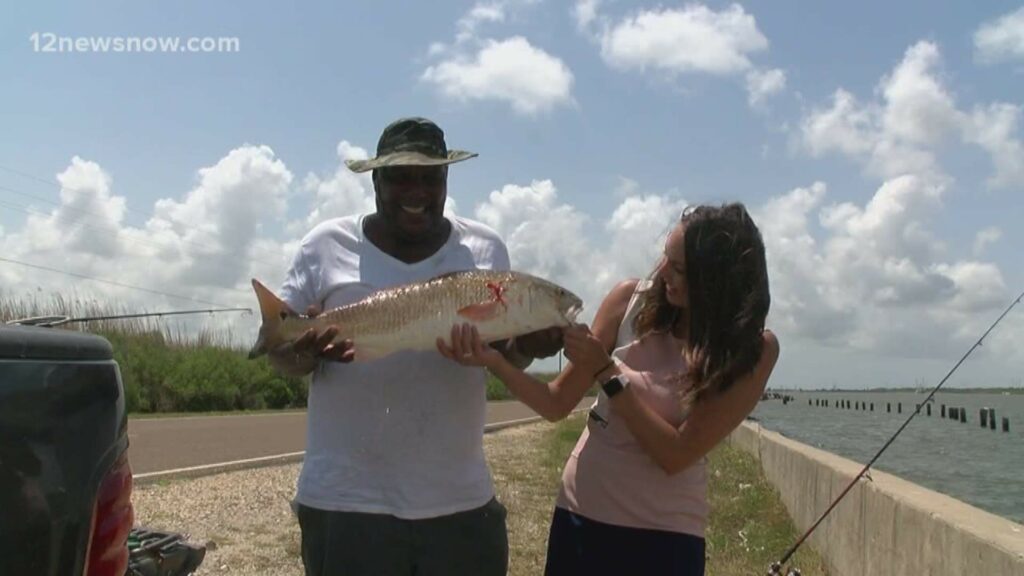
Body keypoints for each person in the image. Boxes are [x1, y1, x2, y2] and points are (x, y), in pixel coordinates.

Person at [269, 116, 563, 576]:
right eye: (401, 176)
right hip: (346, 503)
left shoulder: (484, 250)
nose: (417, 190)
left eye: (431, 177)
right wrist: (306, 351)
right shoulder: (324, 244)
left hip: (458, 502)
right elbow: (281, 355)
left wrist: (532, 345)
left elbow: (505, 354)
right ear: (375, 180)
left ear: (446, 178)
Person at [439, 203, 779, 576]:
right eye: (666, 258)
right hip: (579, 516)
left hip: (664, 541)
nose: (663, 272)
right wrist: (494, 362)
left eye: (680, 268)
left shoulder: (753, 350)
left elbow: (677, 454)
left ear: (718, 279)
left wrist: (605, 370)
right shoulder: (630, 302)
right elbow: (555, 404)